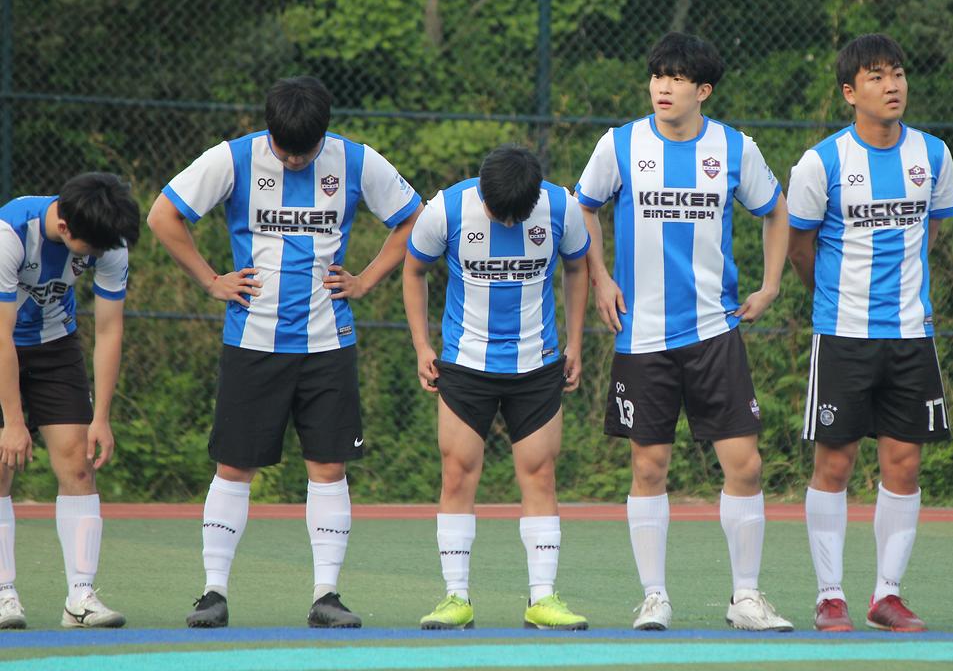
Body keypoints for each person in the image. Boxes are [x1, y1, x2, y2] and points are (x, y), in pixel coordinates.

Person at [147, 76, 421, 629]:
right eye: (285, 149)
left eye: (305, 151)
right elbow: (162, 215)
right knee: (234, 466)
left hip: (328, 343)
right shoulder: (234, 158)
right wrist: (211, 280)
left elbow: (414, 218)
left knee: (329, 467)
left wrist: (366, 279)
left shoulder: (356, 160)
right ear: (268, 129)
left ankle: (327, 596)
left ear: (324, 134)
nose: (294, 160)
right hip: (253, 340)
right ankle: (213, 593)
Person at [575, 32, 792, 632]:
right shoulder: (620, 144)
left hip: (713, 331)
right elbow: (584, 207)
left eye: (677, 78)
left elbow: (775, 210)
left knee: (745, 465)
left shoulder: (733, 147)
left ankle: (746, 597)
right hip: (642, 334)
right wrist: (600, 277)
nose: (663, 88)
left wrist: (771, 284)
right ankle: (654, 597)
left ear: (704, 90)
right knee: (649, 466)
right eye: (657, 76)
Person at [787, 33, 953, 632]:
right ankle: (829, 596)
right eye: (877, 76)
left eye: (898, 73)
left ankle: (887, 595)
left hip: (911, 334)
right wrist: (834, 299)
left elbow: (931, 232)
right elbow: (800, 247)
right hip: (843, 335)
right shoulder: (822, 162)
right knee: (834, 464)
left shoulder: (933, 155)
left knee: (904, 464)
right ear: (849, 92)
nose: (892, 86)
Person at [404, 145, 591, 631]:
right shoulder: (445, 209)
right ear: (481, 191)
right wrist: (422, 345)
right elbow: (414, 270)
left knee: (540, 475)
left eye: (517, 216)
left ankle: (542, 598)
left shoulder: (562, 207)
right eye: (497, 213)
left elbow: (578, 267)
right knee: (457, 473)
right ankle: (456, 598)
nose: (508, 223)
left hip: (537, 364)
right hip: (466, 365)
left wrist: (575, 342)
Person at [0, 172, 140, 630]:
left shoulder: (107, 238)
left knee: (79, 466)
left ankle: (80, 598)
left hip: (55, 345)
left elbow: (109, 329)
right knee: (1, 464)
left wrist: (102, 416)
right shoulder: (9, 234)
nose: (98, 256)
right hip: (3, 344)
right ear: (64, 227)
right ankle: (2, 593)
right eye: (91, 250)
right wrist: (13, 421)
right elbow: (1, 334)